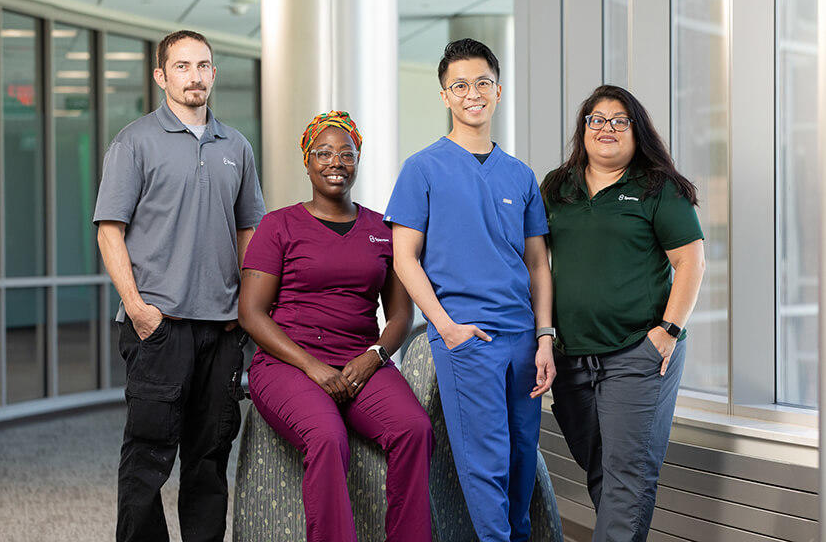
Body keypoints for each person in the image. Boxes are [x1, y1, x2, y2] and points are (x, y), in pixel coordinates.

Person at [94, 30, 266, 542]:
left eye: (204, 66)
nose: (195, 76)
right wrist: (138, 308)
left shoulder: (236, 145)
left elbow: (249, 230)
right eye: (183, 66)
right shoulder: (134, 140)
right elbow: (110, 230)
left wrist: (245, 307)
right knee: (148, 457)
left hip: (221, 329)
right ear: (161, 75)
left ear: (214, 73)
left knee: (209, 458)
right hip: (160, 328)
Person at [385, 38, 555, 542]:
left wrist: (545, 337)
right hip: (467, 338)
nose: (472, 93)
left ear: (498, 91)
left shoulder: (520, 175)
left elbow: (539, 264)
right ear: (444, 96)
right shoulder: (422, 168)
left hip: (523, 338)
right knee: (485, 464)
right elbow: (403, 258)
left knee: (524, 457)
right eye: (459, 85)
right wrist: (445, 327)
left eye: (482, 83)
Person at [238, 110, 434, 542]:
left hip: (361, 360)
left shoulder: (382, 228)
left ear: (358, 160)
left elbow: (401, 315)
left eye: (347, 153)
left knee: (414, 430)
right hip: (287, 362)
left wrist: (375, 356)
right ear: (306, 161)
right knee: (327, 437)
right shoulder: (278, 226)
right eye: (323, 153)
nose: (335, 162)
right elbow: (251, 314)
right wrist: (312, 367)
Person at [541, 85, 705, 541]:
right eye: (597, 119)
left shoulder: (657, 188)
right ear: (583, 129)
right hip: (572, 355)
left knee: (626, 479)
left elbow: (690, 262)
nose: (606, 128)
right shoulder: (557, 187)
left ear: (637, 131)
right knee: (601, 471)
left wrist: (668, 331)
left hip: (638, 353)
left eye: (619, 121)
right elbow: (534, 263)